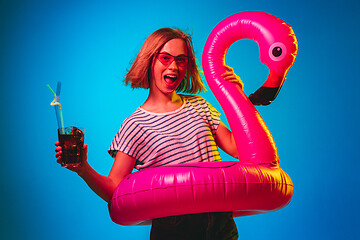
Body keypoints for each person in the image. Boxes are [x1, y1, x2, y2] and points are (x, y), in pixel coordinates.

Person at [55, 28, 243, 240]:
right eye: (165, 58)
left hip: (220, 220)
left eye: (181, 60)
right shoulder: (135, 125)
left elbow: (238, 148)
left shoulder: (199, 105)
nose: (174, 66)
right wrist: (83, 169)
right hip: (175, 226)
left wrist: (236, 96)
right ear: (149, 61)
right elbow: (114, 190)